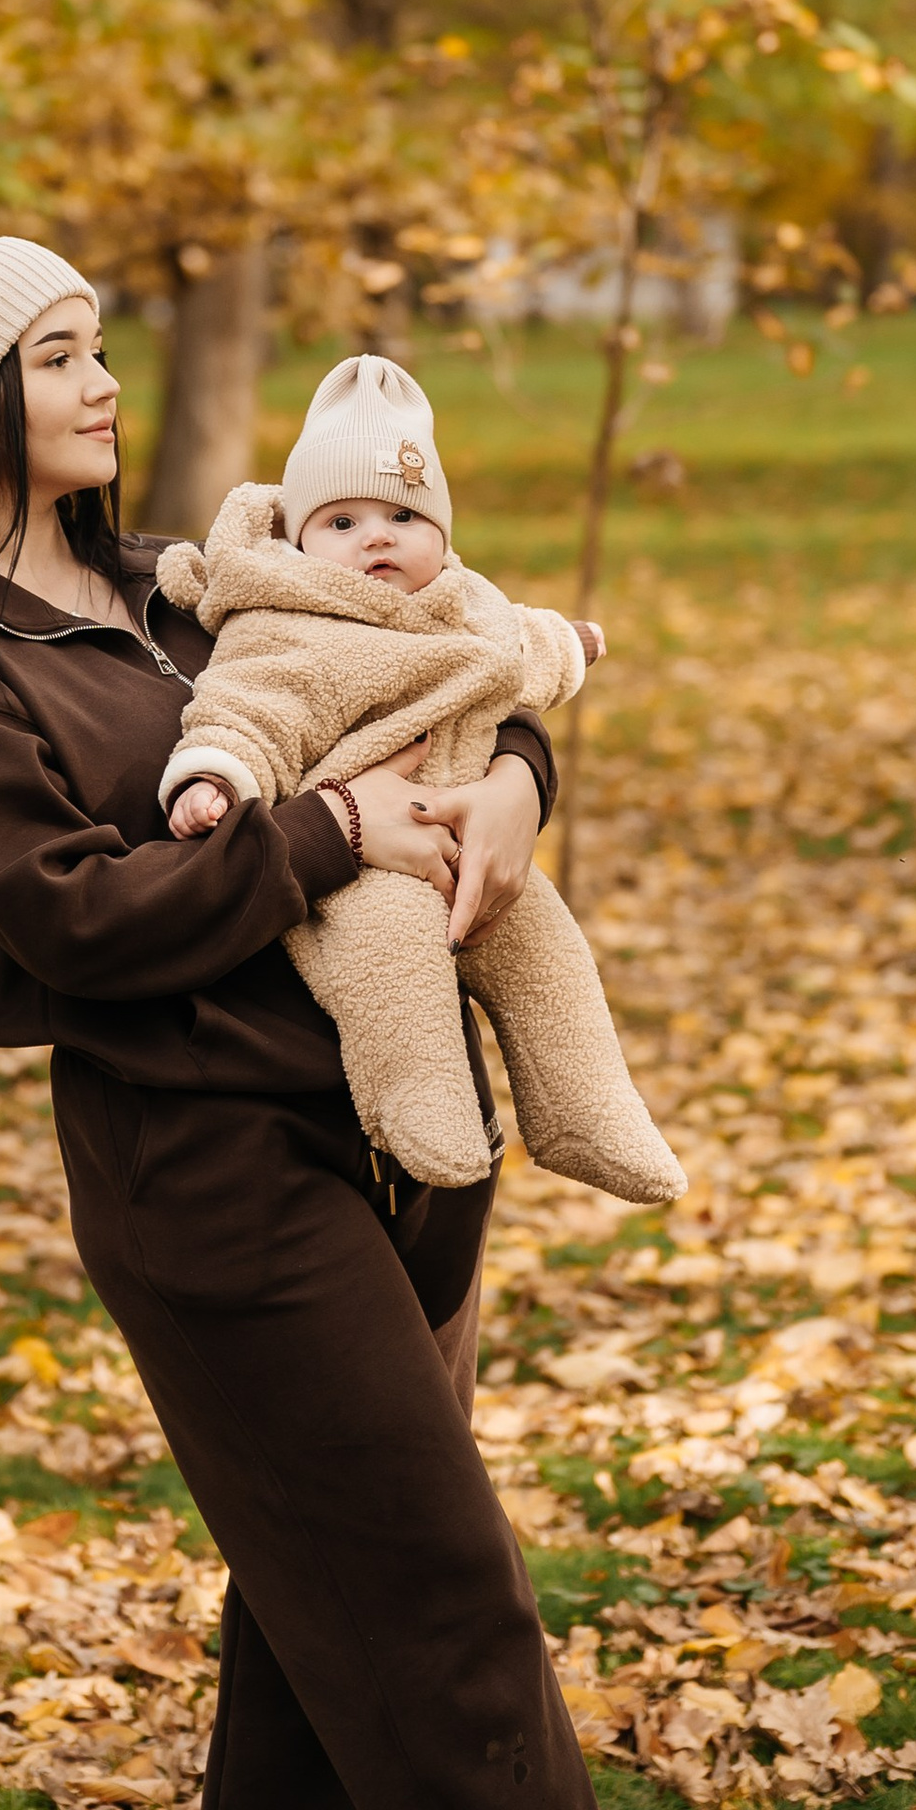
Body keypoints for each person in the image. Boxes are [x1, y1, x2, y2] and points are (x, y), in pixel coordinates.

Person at [0, 230, 847, 1810]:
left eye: (98, 346)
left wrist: (518, 784)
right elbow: (66, 917)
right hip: (208, 1168)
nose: (104, 384)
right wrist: (323, 832)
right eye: (60, 357)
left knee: (327, 1581)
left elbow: (441, 647)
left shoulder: (170, 582)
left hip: (409, 1123)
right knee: (440, 1592)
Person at [155, 354, 683, 1204]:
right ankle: (420, 1106)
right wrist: (213, 776)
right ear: (299, 540)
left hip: (473, 843)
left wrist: (570, 644)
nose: (377, 537)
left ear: (439, 530)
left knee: (548, 956)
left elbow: (518, 645)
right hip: (358, 870)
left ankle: (588, 1110)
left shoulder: (463, 601)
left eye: (403, 515)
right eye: (343, 521)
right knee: (394, 967)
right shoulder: (290, 623)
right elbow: (244, 710)